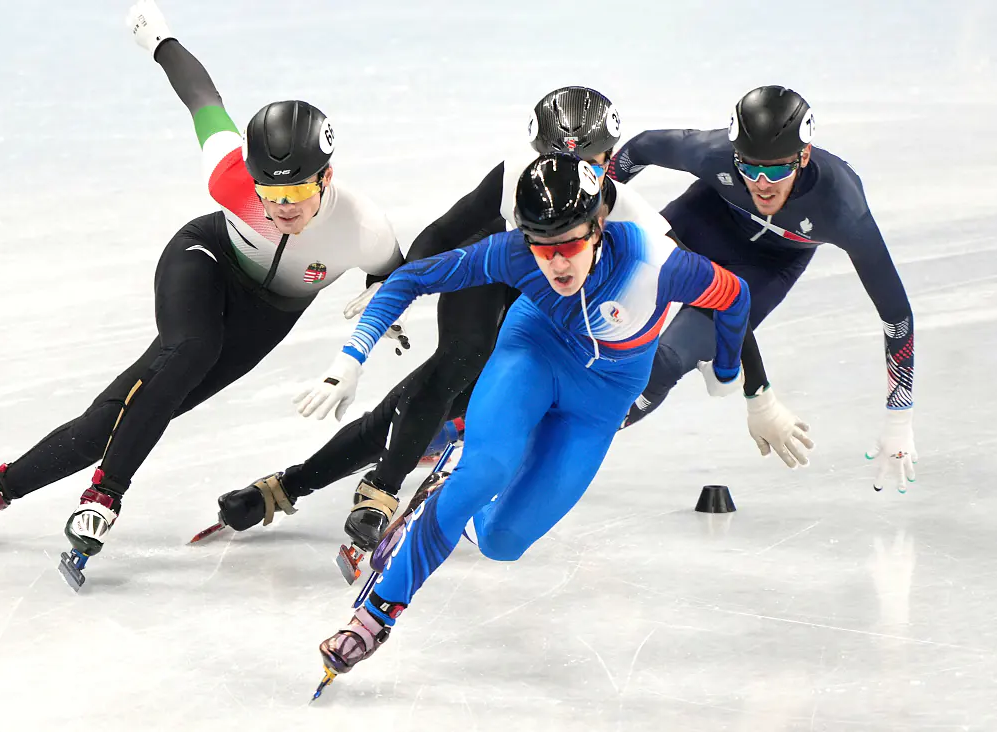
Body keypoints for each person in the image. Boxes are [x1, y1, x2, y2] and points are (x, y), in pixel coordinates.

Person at [0, 0, 404, 581]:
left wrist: (381, 298)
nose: (281, 209)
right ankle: (105, 496)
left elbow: (399, 274)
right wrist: (159, 39)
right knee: (191, 349)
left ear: (326, 176)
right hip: (204, 260)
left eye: (296, 194)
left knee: (121, 418)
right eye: (268, 194)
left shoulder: (363, 228)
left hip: (265, 319)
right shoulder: (231, 178)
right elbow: (202, 99)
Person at [200, 86, 715, 559]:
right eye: (552, 159)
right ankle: (379, 489)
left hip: (550, 315)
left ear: (609, 158)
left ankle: (290, 485)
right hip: (495, 271)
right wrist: (396, 283)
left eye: (588, 163)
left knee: (426, 403)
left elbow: (708, 296)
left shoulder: (635, 220)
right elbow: (445, 232)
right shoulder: (516, 173)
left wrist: (735, 375)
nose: (565, 175)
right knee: (455, 364)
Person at [294, 151, 751, 676]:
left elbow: (734, 295)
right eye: (542, 246)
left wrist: (727, 368)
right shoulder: (513, 253)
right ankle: (374, 617)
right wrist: (349, 360)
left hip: (599, 402)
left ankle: (451, 496)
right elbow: (409, 279)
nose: (557, 264)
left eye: (570, 244)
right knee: (485, 471)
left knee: (502, 543)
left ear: (599, 226)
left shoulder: (657, 264)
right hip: (533, 354)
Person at [610, 85, 916, 492]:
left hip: (764, 268)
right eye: (749, 168)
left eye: (775, 171)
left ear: (803, 156)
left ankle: (574, 438)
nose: (761, 183)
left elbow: (896, 315)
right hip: (702, 222)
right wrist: (597, 203)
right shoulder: (713, 154)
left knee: (666, 362)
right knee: (602, 292)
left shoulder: (841, 206)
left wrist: (899, 417)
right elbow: (642, 147)